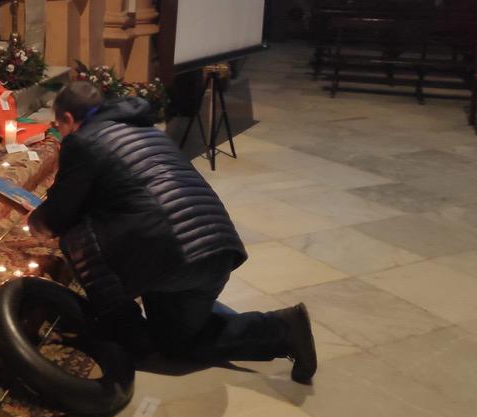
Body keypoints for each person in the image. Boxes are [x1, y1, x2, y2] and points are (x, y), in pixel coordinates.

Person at [28, 80, 318, 384]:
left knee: (77, 236)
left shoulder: (83, 141)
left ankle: (125, 331)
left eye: (58, 126)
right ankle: (283, 329)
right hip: (216, 247)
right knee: (177, 342)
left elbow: (60, 214)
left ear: (68, 119)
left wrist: (36, 222)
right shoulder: (147, 131)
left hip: (170, 258)